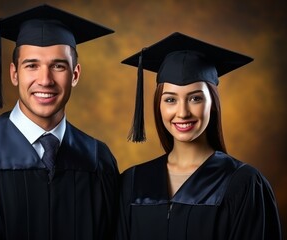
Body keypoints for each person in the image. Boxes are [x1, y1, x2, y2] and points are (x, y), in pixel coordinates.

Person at [0, 4, 119, 240]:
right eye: (32, 65)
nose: (45, 80)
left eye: (58, 66)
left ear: (75, 75)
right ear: (14, 73)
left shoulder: (98, 161)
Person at [116, 32, 281, 240]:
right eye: (170, 100)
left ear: (212, 104)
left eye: (195, 98)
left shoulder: (243, 184)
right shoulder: (132, 183)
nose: (182, 112)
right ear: (158, 105)